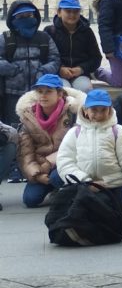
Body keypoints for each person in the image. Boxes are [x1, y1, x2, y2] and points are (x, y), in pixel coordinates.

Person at [56, 90, 122, 208]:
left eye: (103, 110)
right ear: (85, 110)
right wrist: (86, 181)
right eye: (94, 110)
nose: (99, 115)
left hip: (113, 185)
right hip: (84, 184)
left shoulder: (118, 131)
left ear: (110, 109)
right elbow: (65, 161)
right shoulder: (75, 132)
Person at [17, 75, 83, 208]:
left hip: (67, 163)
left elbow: (77, 146)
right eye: (40, 91)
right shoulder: (28, 117)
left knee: (56, 178)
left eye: (48, 91)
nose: (43, 95)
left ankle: (65, 189)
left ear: (60, 94)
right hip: (40, 168)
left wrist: (49, 163)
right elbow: (25, 154)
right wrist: (37, 175)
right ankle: (55, 188)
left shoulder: (73, 114)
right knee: (30, 200)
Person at [1, 0, 61, 125]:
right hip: (12, 93)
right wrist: (12, 70)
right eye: (21, 17)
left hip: (40, 92)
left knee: (39, 127)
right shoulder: (5, 38)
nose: (26, 19)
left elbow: (55, 59)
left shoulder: (44, 37)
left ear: (35, 17)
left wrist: (42, 71)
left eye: (29, 16)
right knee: (14, 126)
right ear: (13, 19)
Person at [45, 0, 102, 94]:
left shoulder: (87, 32)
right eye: (68, 11)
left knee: (85, 89)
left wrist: (81, 68)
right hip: (57, 74)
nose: (72, 14)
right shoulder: (50, 31)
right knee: (64, 91)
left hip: (80, 74)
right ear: (59, 12)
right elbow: (45, 57)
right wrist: (59, 69)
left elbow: (96, 58)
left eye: (75, 11)